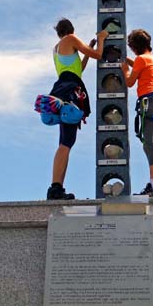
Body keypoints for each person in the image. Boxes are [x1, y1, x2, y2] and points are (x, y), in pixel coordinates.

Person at [47, 18, 108, 200]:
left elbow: (78, 68)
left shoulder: (57, 48)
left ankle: (57, 187)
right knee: (66, 142)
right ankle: (55, 187)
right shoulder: (71, 39)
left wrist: (86, 52)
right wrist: (102, 38)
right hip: (69, 92)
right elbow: (99, 55)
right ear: (71, 30)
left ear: (58, 32)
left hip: (61, 89)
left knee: (66, 141)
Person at [120, 29, 153, 197]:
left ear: (135, 47)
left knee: (150, 144)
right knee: (150, 143)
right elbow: (141, 68)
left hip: (149, 101)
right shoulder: (150, 59)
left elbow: (130, 82)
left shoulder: (141, 59)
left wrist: (125, 69)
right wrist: (130, 63)